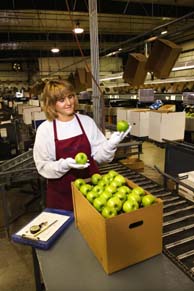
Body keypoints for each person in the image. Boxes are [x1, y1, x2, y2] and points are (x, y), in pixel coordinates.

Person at [33, 79, 131, 211]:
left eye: (70, 97)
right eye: (62, 100)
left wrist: (110, 145)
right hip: (62, 195)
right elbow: (43, 166)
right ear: (51, 104)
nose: (69, 103)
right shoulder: (46, 129)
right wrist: (64, 164)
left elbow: (100, 158)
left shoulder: (86, 122)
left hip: (93, 192)